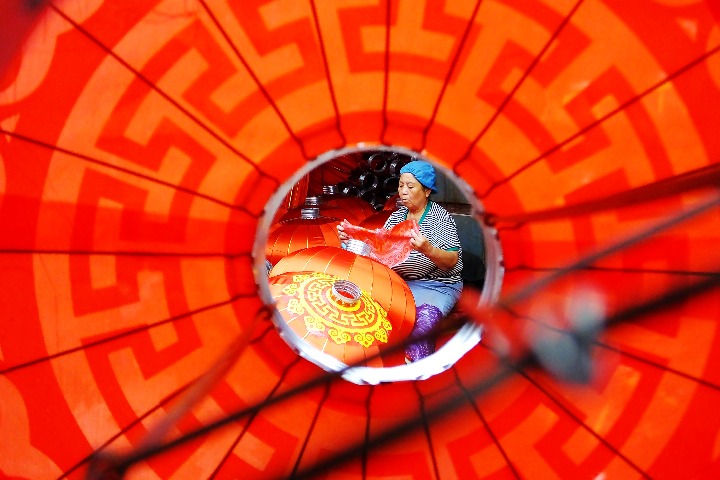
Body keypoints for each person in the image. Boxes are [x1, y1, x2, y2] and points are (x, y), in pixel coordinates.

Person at [338, 160, 463, 362]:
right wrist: (351, 239)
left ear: (427, 191)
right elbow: (380, 252)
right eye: (401, 185)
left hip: (436, 285)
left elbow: (451, 261)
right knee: (364, 309)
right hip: (399, 282)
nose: (403, 191)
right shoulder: (396, 218)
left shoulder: (440, 218)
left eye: (410, 186)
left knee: (423, 322)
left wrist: (428, 249)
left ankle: (416, 371)